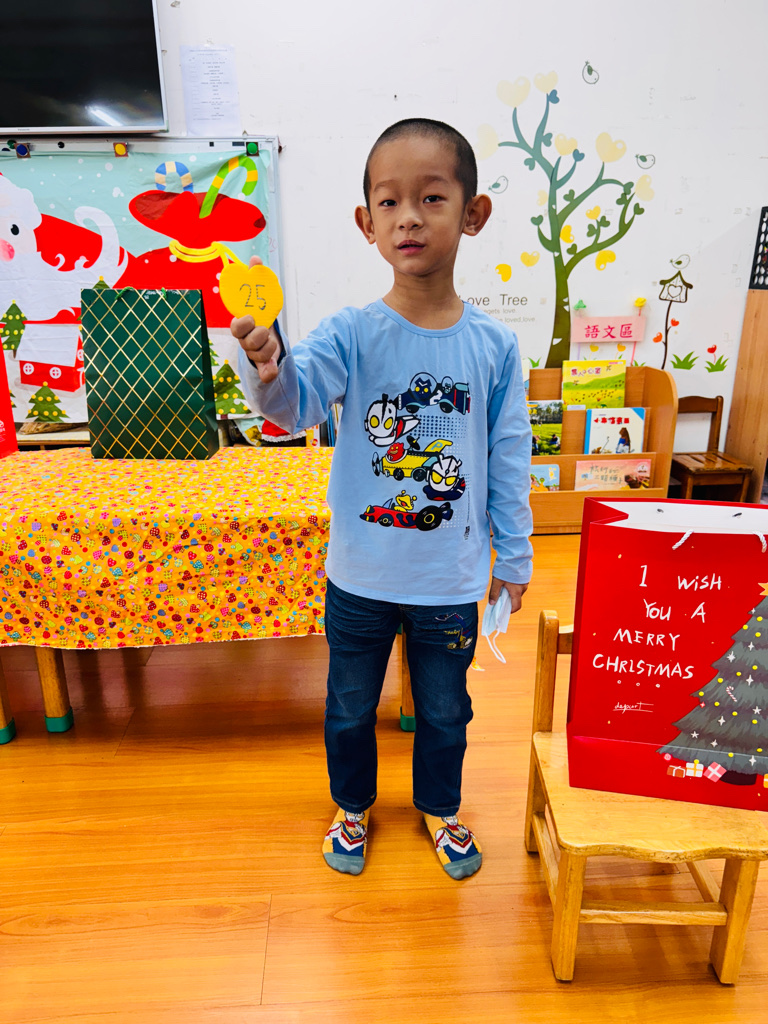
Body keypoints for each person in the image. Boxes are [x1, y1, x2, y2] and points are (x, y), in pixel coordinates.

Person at [231, 118, 533, 880]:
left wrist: (515, 554)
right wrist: (267, 369)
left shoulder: (494, 348)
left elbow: (507, 457)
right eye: (390, 202)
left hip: (449, 581)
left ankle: (441, 806)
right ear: (367, 224)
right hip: (360, 577)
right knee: (348, 707)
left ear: (473, 214)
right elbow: (293, 408)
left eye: (431, 198)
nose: (409, 218)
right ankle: (352, 806)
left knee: (446, 711)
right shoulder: (352, 334)